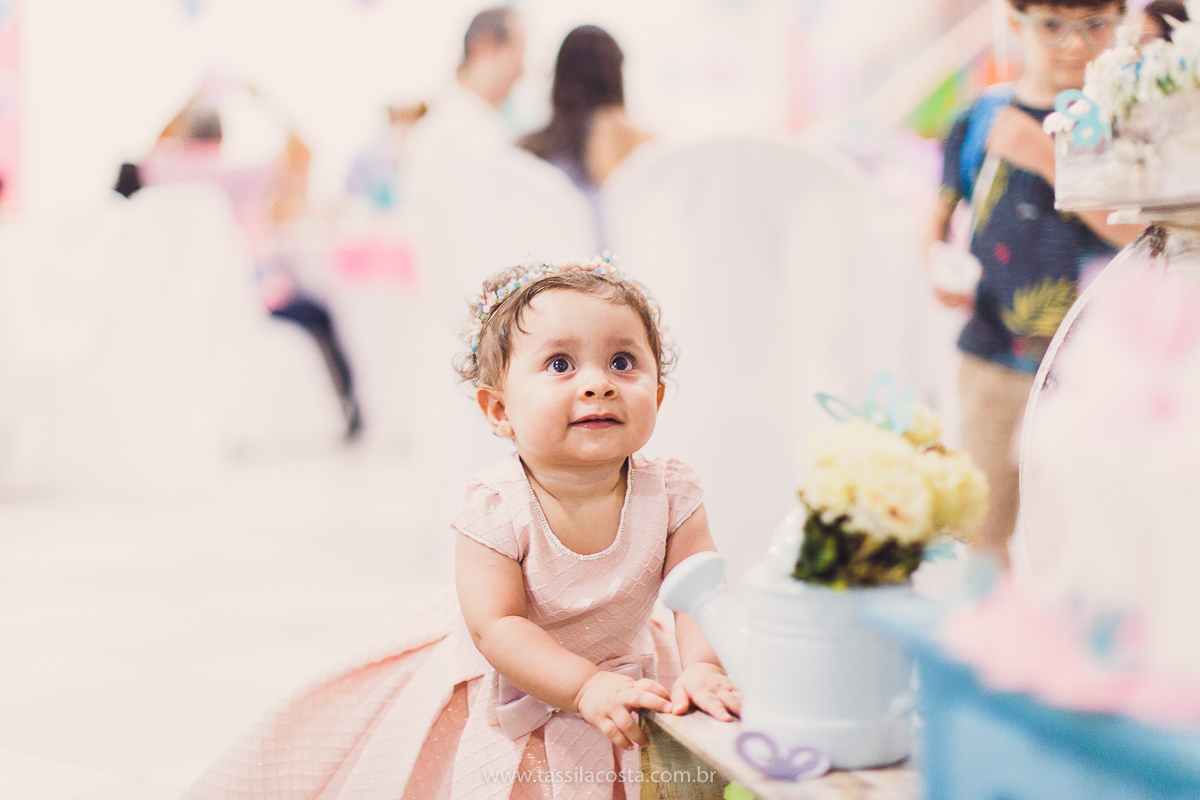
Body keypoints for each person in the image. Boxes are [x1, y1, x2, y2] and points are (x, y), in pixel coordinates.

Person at [181, 260, 740, 800]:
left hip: (630, 667)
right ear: (500, 411)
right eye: (560, 365)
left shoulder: (670, 490)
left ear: (658, 396)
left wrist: (703, 667)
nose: (598, 384)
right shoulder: (495, 506)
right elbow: (497, 627)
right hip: (513, 682)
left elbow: (698, 594)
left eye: (622, 363)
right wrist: (585, 686)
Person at [924, 0, 1145, 569]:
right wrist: (934, 263)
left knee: (1086, 533)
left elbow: (1141, 236)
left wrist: (1045, 156)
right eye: (1052, 25)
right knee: (980, 528)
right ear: (1016, 24)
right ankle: (992, 647)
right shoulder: (980, 119)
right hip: (992, 356)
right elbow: (938, 218)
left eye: (1094, 24)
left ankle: (1070, 652)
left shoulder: (1128, 123)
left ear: (1118, 23)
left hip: (1096, 371)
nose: (1074, 44)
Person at [132, 90, 364, 440]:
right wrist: (261, 96)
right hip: (255, 299)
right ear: (222, 137)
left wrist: (191, 95)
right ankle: (350, 408)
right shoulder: (237, 175)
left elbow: (155, 144)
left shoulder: (164, 171)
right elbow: (303, 149)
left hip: (185, 303)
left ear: (184, 134)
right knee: (321, 316)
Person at [521, 26, 650, 245]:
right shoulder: (646, 150)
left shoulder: (527, 152)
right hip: (619, 274)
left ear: (558, 78)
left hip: (548, 273)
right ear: (617, 77)